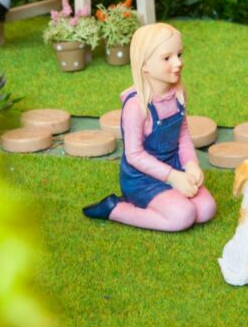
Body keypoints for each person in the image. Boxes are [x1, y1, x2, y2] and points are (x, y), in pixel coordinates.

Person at [83, 23, 217, 231]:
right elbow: (134, 155)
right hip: (142, 179)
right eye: (167, 58)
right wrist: (173, 177)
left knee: (206, 209)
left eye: (179, 55)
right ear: (144, 64)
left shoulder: (178, 94)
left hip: (174, 166)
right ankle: (114, 208)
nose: (178, 63)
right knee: (183, 216)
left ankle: (171, 198)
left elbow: (182, 135)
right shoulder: (135, 106)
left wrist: (191, 164)